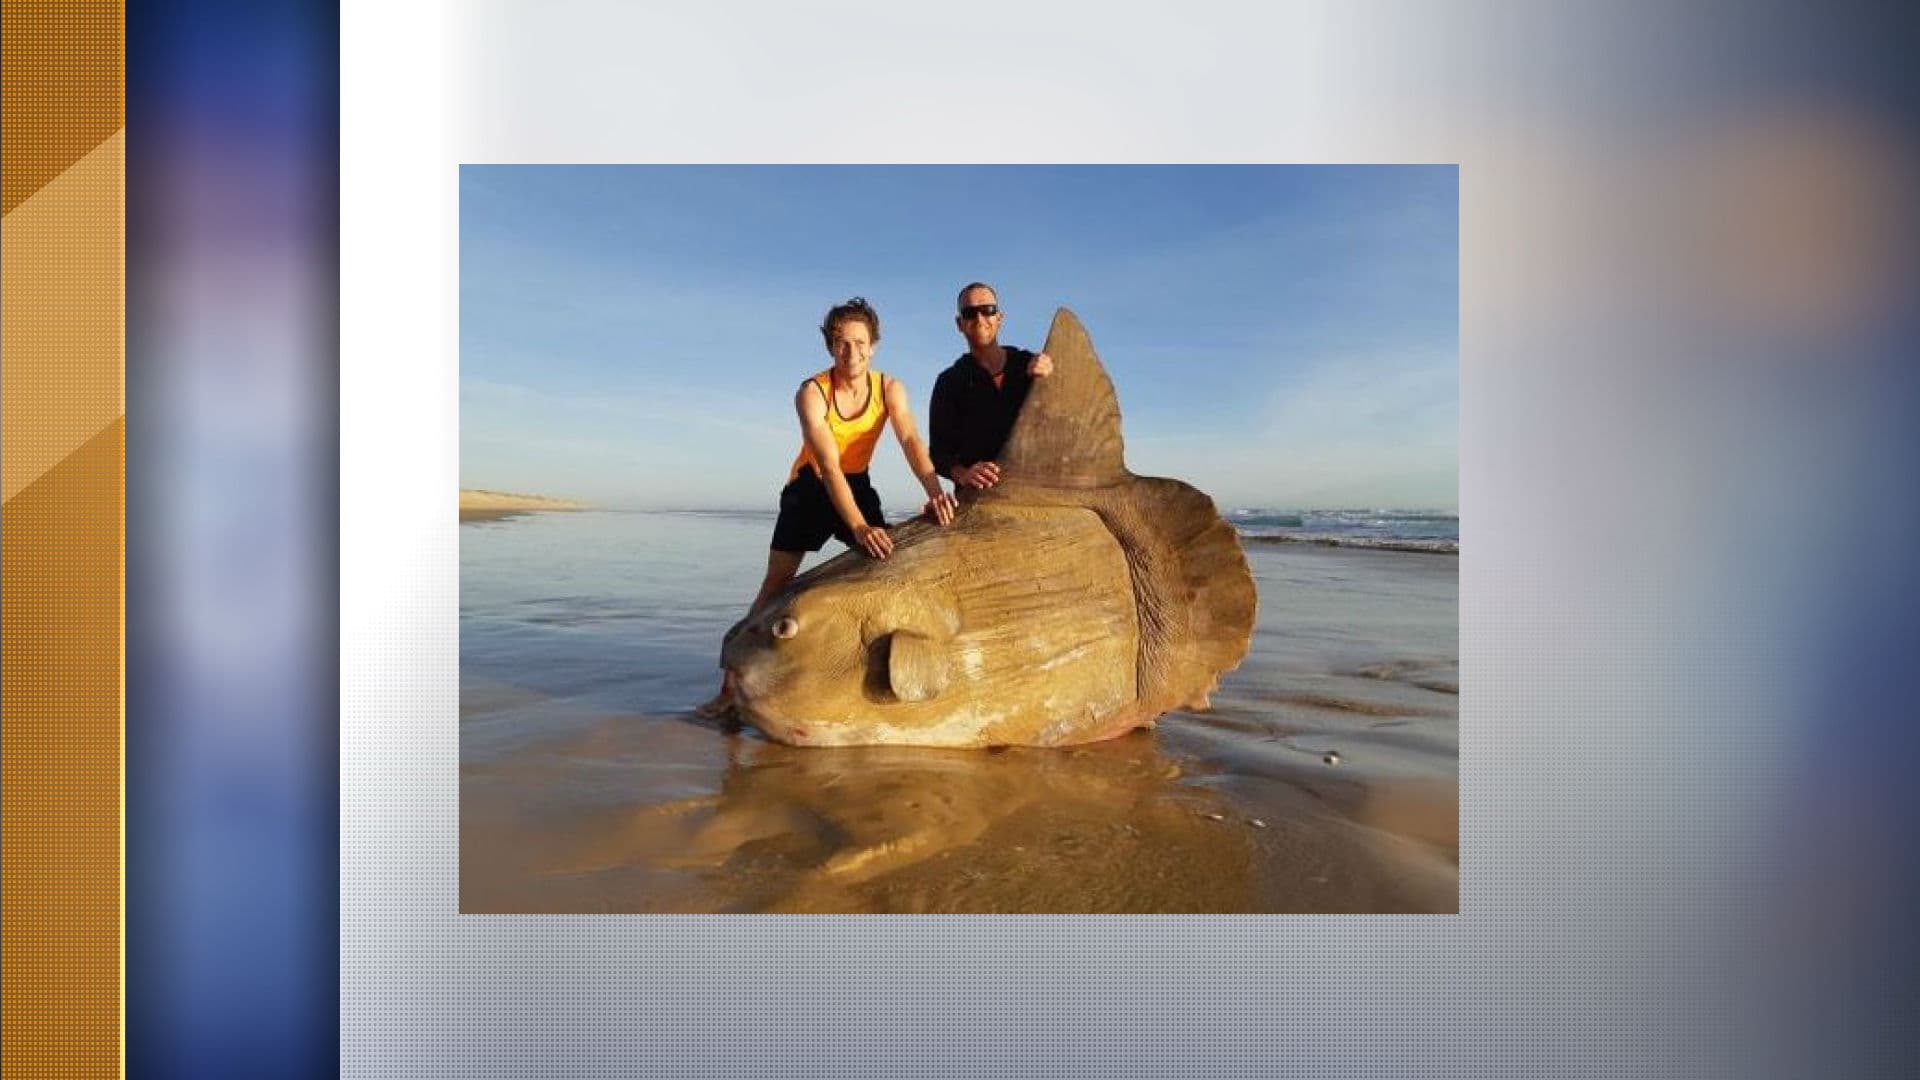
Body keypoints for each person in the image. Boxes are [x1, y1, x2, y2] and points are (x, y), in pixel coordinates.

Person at [696, 297, 957, 717]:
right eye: (841, 343)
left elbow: (910, 441)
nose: (850, 352)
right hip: (810, 487)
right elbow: (829, 466)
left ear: (873, 346)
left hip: (857, 482)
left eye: (859, 342)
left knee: (886, 563)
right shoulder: (812, 392)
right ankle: (731, 688)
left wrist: (934, 489)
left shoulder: (890, 388)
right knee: (777, 582)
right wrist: (857, 527)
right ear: (830, 347)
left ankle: (864, 673)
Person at [928, 282, 1054, 492]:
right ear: (959, 324)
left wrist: (1053, 378)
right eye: (969, 313)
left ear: (999, 318)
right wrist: (963, 474)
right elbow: (940, 454)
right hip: (981, 499)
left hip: (1036, 490)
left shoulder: (1031, 365)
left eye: (987, 310)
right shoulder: (949, 382)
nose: (979, 319)